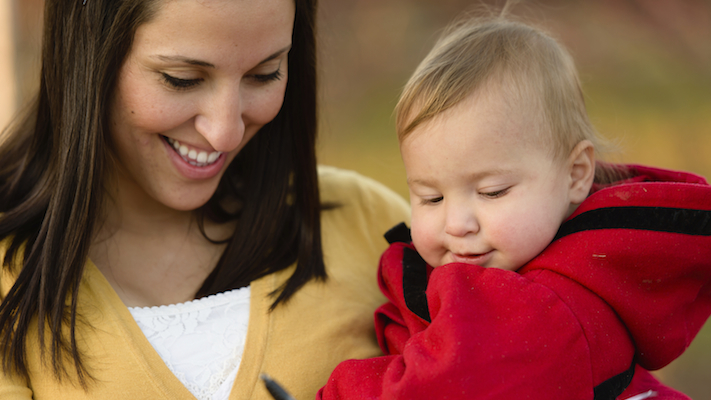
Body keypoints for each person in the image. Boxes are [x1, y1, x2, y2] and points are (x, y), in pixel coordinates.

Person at [318, 12, 711, 400]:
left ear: (575, 175)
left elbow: (436, 390)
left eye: (492, 192)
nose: (457, 223)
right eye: (431, 197)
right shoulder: (518, 273)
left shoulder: (545, 309)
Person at [0, 0, 409, 399]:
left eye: (265, 74)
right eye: (181, 79)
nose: (225, 133)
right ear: (85, 54)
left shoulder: (380, 227)